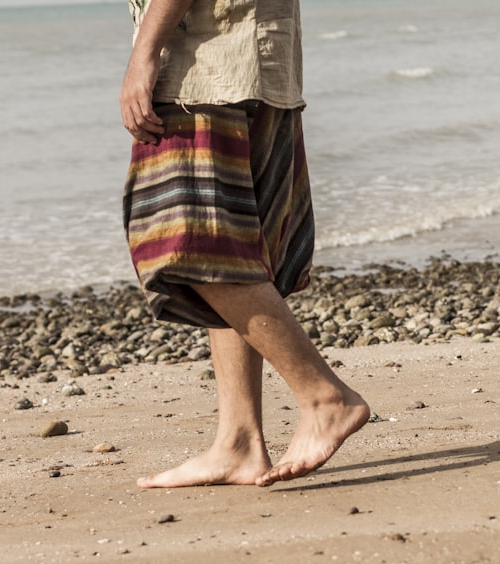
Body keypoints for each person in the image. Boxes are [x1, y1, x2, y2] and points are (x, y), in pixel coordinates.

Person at [119, 0, 370, 488]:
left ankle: (324, 396)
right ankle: (238, 442)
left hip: (206, 67)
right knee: (235, 251)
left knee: (188, 248)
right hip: (258, 62)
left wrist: (144, 56)